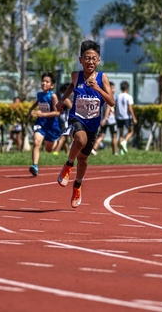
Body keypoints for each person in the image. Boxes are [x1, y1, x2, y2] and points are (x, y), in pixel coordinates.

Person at [55, 40, 114, 208]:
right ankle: (68, 164)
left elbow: (111, 102)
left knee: (83, 160)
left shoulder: (102, 78)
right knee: (80, 140)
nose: (90, 62)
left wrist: (97, 88)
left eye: (94, 59)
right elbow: (71, 87)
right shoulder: (76, 75)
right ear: (80, 60)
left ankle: (77, 185)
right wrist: (62, 100)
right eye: (87, 58)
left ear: (98, 60)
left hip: (93, 124)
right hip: (77, 118)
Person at [27, 73, 62, 176]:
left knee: (48, 149)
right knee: (36, 142)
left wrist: (42, 114)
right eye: (43, 81)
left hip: (51, 126)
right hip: (40, 123)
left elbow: (57, 113)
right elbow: (37, 102)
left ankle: (55, 141)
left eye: (47, 82)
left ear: (52, 85)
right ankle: (35, 165)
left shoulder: (53, 96)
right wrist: (30, 111)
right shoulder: (40, 95)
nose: (44, 83)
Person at [92, 81, 117, 156]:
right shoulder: (109, 96)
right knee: (114, 135)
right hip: (110, 120)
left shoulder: (102, 96)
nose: (113, 90)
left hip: (105, 119)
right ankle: (115, 152)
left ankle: (94, 149)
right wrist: (105, 118)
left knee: (102, 135)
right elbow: (108, 108)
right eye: (112, 88)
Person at [115, 80, 137, 154]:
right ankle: (124, 142)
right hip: (127, 117)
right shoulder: (129, 97)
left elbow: (115, 107)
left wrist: (116, 115)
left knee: (120, 134)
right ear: (128, 88)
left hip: (119, 117)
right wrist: (134, 118)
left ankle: (121, 150)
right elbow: (130, 108)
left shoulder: (118, 96)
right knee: (131, 131)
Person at [52, 83, 73, 156]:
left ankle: (67, 152)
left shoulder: (61, 97)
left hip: (61, 119)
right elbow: (72, 108)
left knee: (65, 137)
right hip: (65, 120)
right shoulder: (66, 99)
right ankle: (56, 152)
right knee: (64, 137)